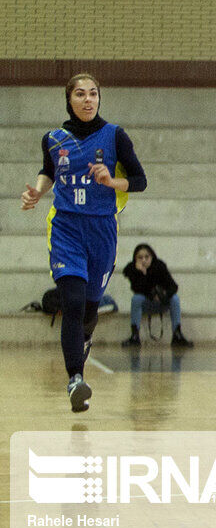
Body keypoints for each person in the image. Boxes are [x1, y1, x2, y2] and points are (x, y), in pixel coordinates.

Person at [20, 73, 147, 412]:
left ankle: (84, 340)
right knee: (72, 303)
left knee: (90, 307)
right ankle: (76, 378)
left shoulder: (115, 135)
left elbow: (140, 180)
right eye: (81, 94)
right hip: (65, 228)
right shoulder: (53, 138)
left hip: (102, 231)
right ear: (69, 100)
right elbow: (49, 171)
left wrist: (111, 180)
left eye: (93, 94)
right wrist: (37, 190)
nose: (88, 99)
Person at [119, 243, 193, 347]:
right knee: (136, 298)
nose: (144, 260)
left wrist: (163, 295)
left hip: (162, 302)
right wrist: (142, 274)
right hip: (146, 303)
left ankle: (177, 334)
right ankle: (134, 336)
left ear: (152, 257)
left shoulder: (159, 266)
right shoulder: (132, 269)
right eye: (140, 257)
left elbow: (173, 286)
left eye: (146, 257)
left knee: (175, 299)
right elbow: (137, 289)